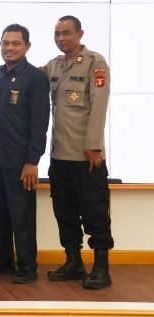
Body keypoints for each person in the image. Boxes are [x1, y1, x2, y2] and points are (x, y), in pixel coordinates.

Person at [44, 15, 113, 290]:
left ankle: (101, 268)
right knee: (65, 213)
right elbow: (25, 78)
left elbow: (99, 104)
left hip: (86, 156)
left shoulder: (96, 63)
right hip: (59, 155)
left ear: (80, 34)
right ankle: (73, 262)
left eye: (66, 33)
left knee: (95, 213)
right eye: (57, 34)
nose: (61, 38)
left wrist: (94, 145)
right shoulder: (54, 65)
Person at [0, 24, 50, 284]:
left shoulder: (36, 77)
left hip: (20, 161)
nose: (9, 48)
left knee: (21, 216)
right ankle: (1, 262)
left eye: (15, 43)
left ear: (27, 46)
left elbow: (40, 122)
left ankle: (27, 267)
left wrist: (32, 161)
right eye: (5, 43)